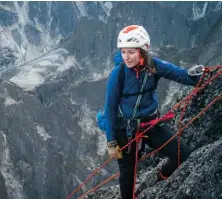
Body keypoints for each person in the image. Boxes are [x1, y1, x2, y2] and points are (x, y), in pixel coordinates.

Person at [104, 25, 202, 199]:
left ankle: (159, 178)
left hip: (151, 125)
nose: (126, 57)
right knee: (127, 174)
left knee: (184, 155)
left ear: (143, 50)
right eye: (124, 52)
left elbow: (180, 75)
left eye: (131, 52)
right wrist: (111, 142)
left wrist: (203, 77)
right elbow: (110, 109)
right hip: (124, 130)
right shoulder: (117, 74)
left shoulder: (154, 65)